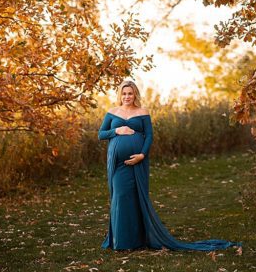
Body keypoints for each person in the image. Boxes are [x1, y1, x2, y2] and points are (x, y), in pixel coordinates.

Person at [98, 80, 240, 252]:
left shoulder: (142, 112)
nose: (127, 96)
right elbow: (101, 134)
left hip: (139, 162)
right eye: (124, 93)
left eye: (130, 93)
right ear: (120, 95)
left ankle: (136, 240)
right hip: (118, 162)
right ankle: (121, 241)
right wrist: (117, 131)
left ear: (135, 94)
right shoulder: (112, 112)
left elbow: (149, 136)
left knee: (137, 198)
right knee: (120, 196)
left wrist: (142, 155)